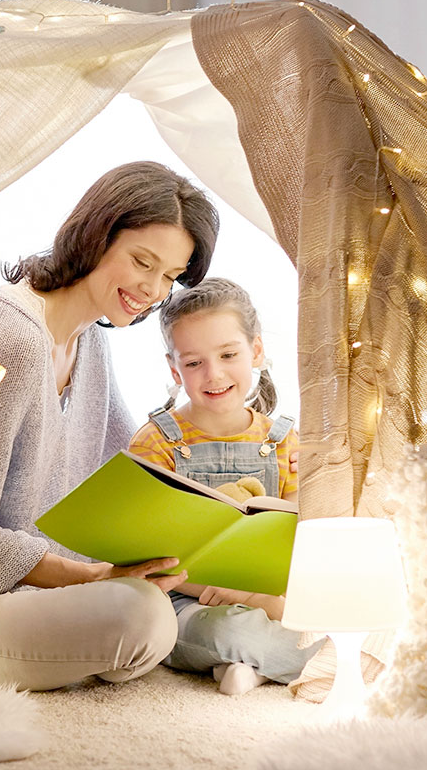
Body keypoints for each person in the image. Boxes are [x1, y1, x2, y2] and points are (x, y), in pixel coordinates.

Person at [0, 161, 221, 691]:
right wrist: (93, 577)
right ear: (96, 235)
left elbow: (131, 466)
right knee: (143, 619)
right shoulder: (11, 339)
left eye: (170, 277)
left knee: (162, 606)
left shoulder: (90, 339)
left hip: (43, 593)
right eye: (143, 262)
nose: (153, 289)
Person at [127, 277, 323, 695]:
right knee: (230, 631)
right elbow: (149, 558)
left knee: (337, 619)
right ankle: (258, 659)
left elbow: (295, 542)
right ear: (174, 368)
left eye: (229, 354)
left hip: (271, 598)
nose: (213, 374)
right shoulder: (155, 442)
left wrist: (308, 483)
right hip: (186, 602)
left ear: (255, 351)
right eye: (193, 362)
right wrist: (241, 596)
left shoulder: (285, 439)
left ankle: (252, 666)